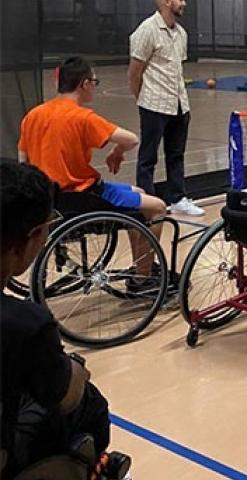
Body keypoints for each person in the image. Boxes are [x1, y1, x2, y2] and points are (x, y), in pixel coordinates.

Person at [0, 162, 131, 479]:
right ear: (31, 237)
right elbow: (64, 398)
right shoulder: (24, 324)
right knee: (86, 399)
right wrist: (74, 367)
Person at [18, 56, 168, 292]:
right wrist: (117, 152)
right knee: (158, 207)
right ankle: (143, 277)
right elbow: (131, 139)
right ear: (84, 84)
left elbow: (23, 159)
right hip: (83, 196)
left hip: (51, 198)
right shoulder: (83, 118)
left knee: (137, 194)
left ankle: (141, 262)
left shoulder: (33, 116)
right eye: (94, 83)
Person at [128, 0, 205, 216]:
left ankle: (178, 198)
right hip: (153, 104)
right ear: (166, 2)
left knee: (176, 154)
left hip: (179, 104)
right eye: (180, 0)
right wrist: (143, 99)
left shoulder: (181, 33)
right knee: (148, 158)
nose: (184, 4)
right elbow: (134, 73)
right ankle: (148, 203)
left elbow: (176, 70)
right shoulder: (147, 30)